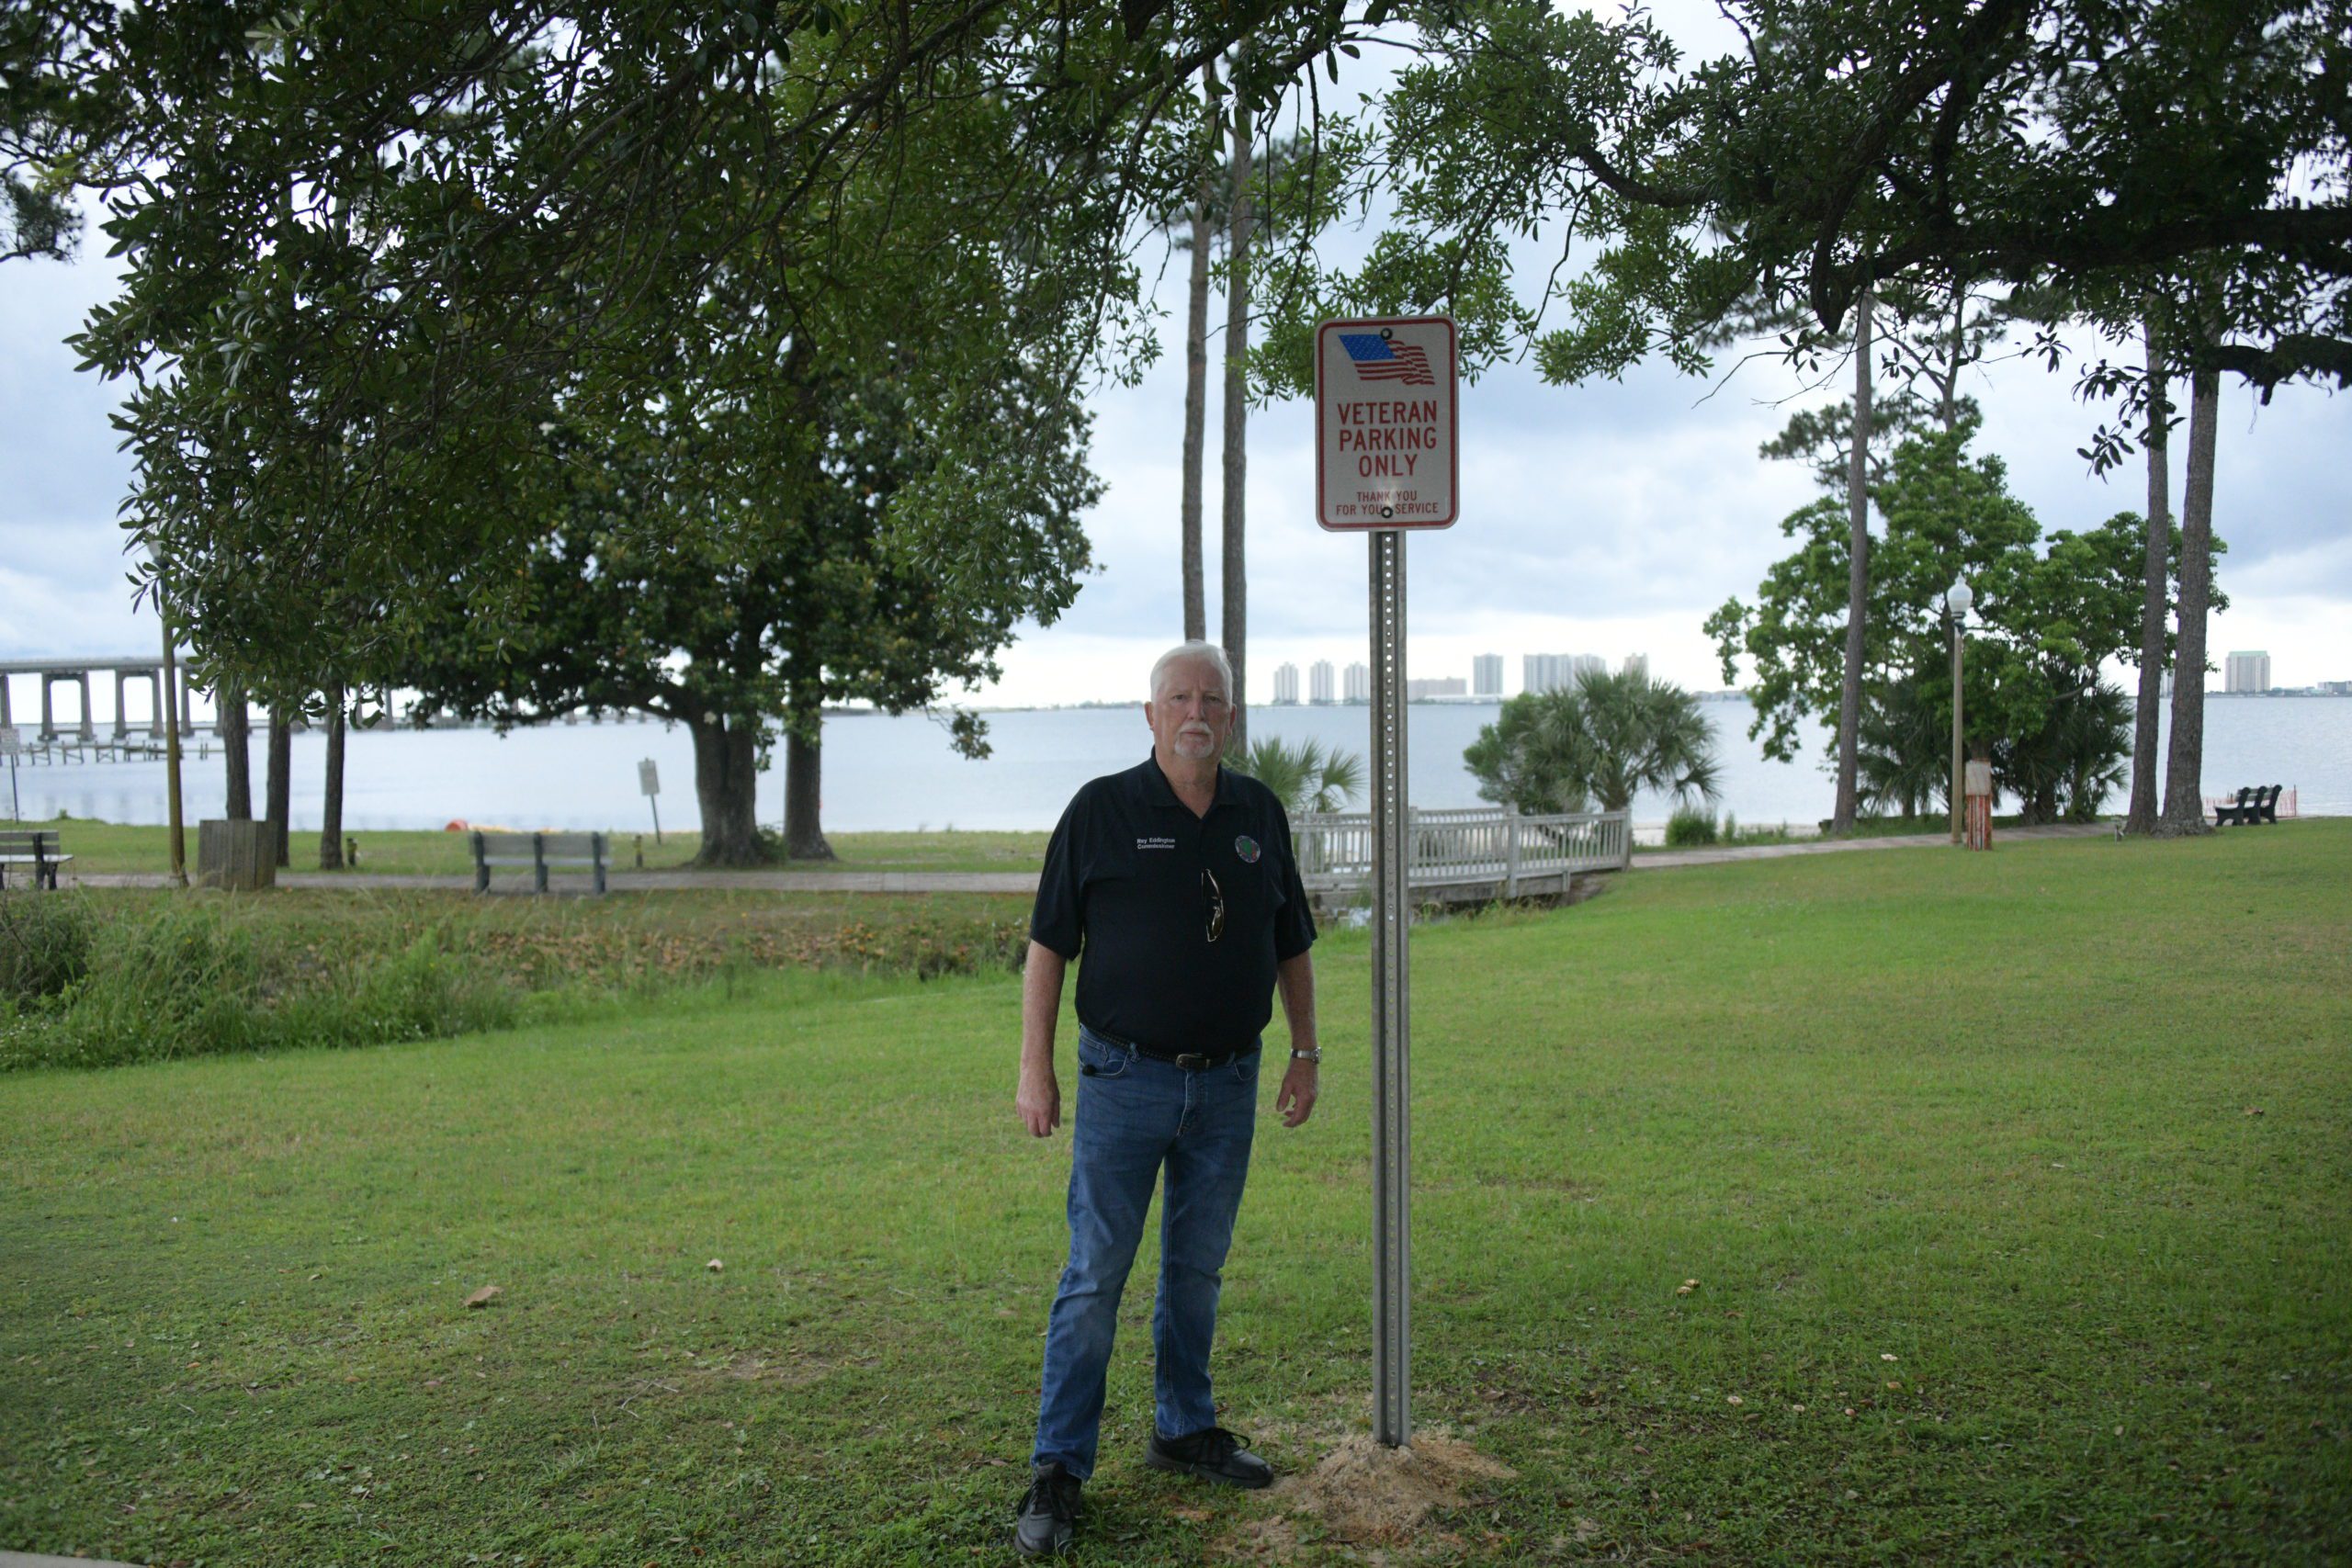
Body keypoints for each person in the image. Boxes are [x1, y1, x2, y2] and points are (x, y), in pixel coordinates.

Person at [1012, 640, 1321, 1559]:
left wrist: (1304, 1052)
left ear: (1229, 717)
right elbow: (1047, 947)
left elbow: (1290, 941)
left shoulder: (1256, 812)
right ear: (1149, 715)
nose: (1196, 711)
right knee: (1095, 1274)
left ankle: (1183, 1429)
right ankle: (1058, 1467)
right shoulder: (1101, 811)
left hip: (1228, 1083)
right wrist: (1035, 1068)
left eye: (1212, 699)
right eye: (1179, 697)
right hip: (1122, 1080)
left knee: (1196, 1269)